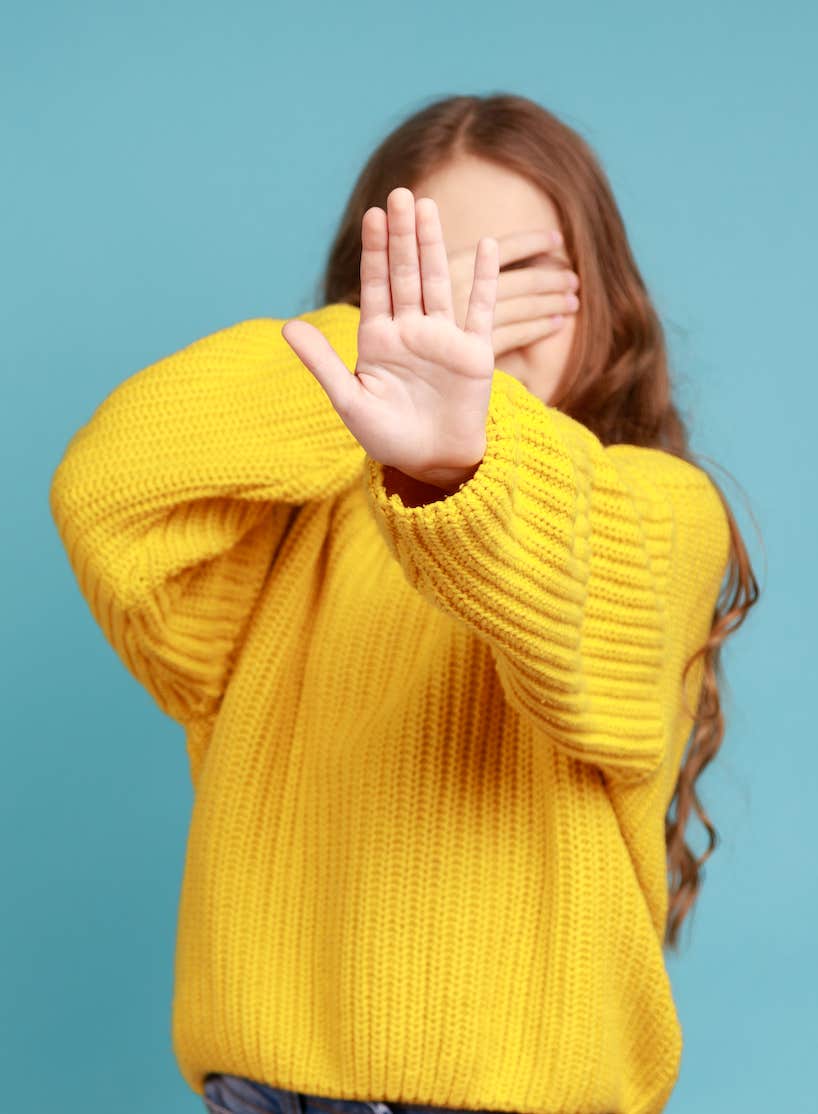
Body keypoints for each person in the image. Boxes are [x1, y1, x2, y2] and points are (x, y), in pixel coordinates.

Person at [48, 93, 760, 1114]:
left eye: (514, 275)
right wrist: (370, 360)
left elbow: (571, 574)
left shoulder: (656, 508)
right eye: (432, 275)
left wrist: (461, 442)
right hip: (266, 1090)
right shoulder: (284, 533)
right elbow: (112, 485)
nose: (466, 319)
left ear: (598, 293)